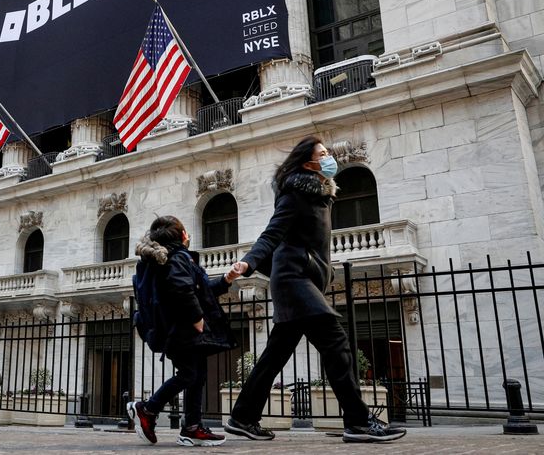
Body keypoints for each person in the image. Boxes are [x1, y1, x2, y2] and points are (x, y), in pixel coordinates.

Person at [222, 136, 407, 444]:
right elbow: (272, 234)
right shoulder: (296, 193)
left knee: (274, 356)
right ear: (308, 163)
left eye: (327, 153)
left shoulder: (321, 194)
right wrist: (247, 263)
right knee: (337, 346)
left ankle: (243, 417)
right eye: (322, 154)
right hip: (295, 280)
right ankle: (358, 422)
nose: (329, 157)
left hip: (303, 278)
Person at [126, 215, 238, 447]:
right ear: (183, 235)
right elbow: (181, 288)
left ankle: (192, 428)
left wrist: (226, 280)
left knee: (196, 376)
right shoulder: (179, 258)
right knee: (189, 375)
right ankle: (147, 409)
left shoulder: (167, 258)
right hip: (182, 331)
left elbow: (201, 291)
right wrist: (197, 318)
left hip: (176, 331)